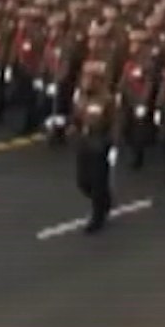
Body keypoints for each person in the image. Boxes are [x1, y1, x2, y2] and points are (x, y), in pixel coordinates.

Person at [72, 60, 118, 234]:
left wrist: (112, 145)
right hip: (83, 144)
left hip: (99, 146)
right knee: (83, 182)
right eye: (85, 77)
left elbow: (115, 125)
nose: (86, 81)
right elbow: (77, 116)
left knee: (98, 183)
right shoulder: (81, 96)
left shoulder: (107, 100)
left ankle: (98, 217)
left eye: (91, 78)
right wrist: (73, 127)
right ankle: (104, 200)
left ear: (99, 80)